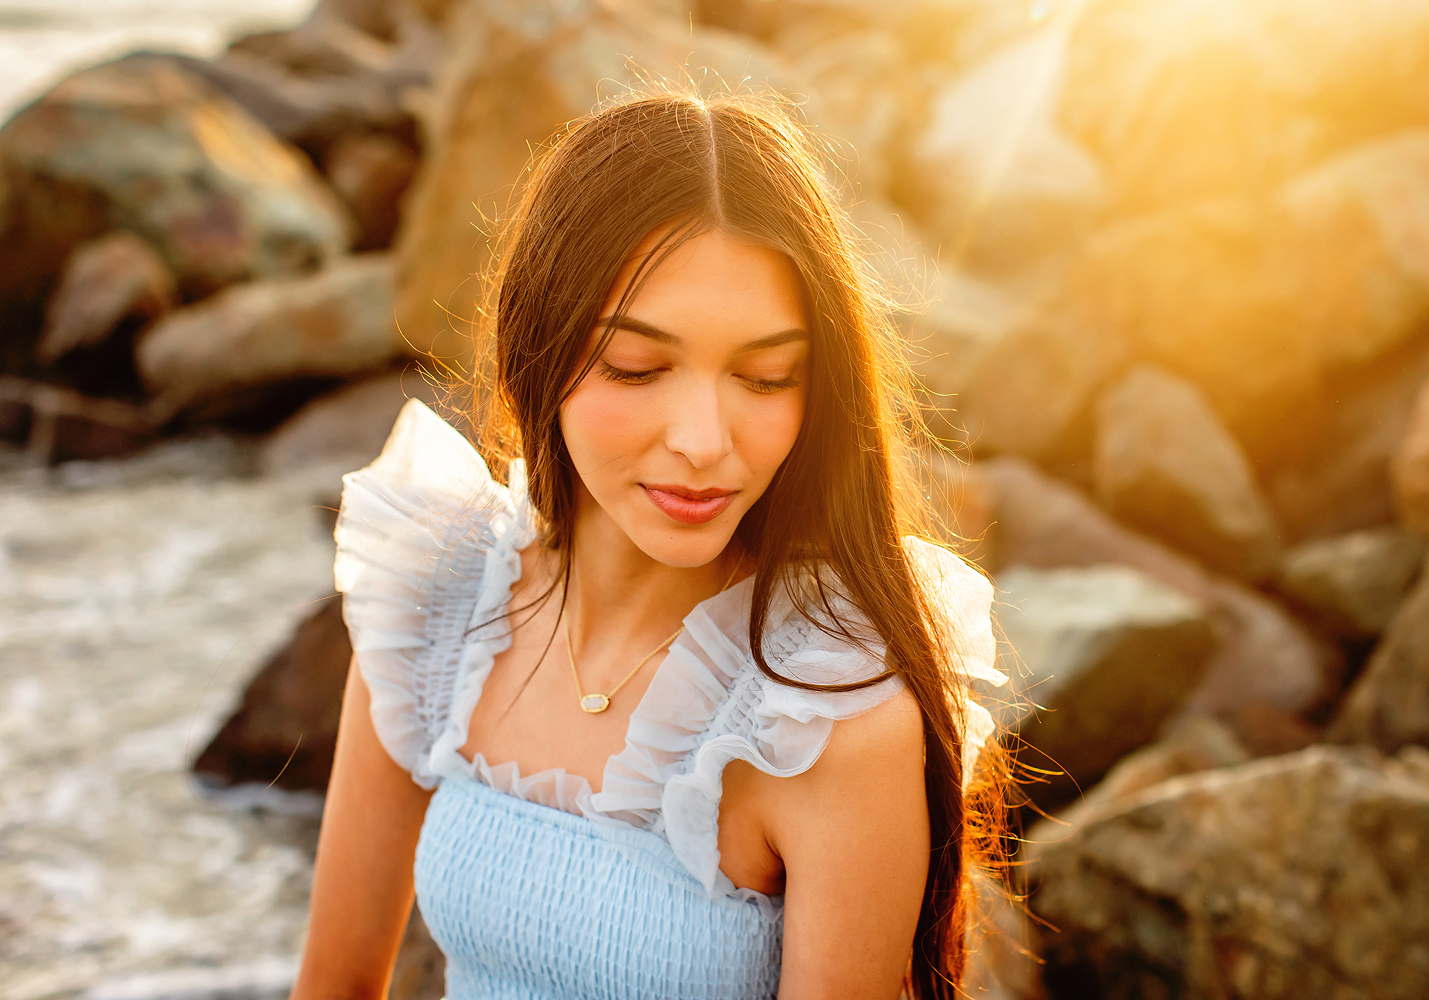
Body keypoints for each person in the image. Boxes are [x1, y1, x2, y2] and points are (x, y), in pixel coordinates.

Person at [291, 87, 1012, 1000]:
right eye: (638, 367)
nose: (705, 441)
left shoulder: (821, 712)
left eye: (764, 377)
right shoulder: (440, 592)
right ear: (540, 347)